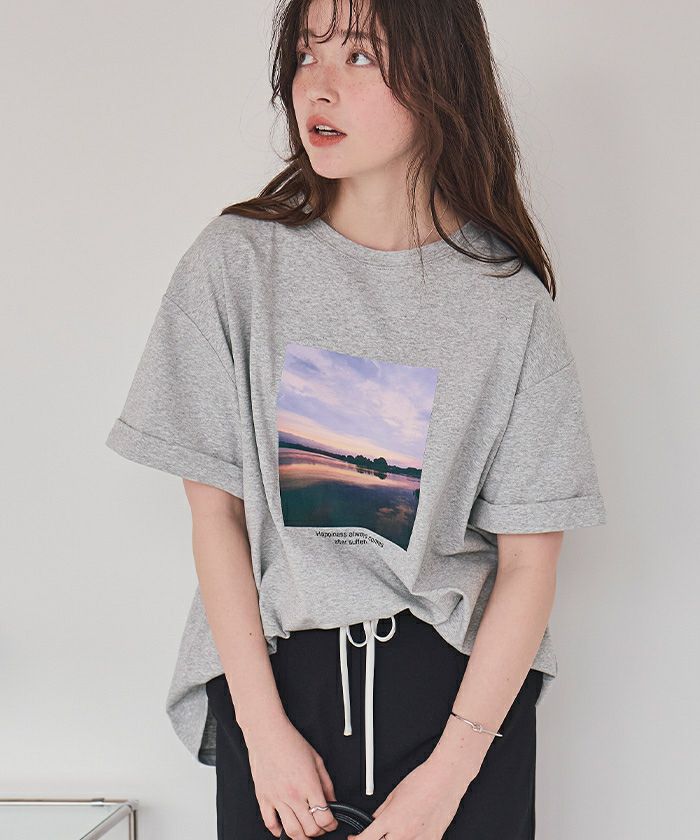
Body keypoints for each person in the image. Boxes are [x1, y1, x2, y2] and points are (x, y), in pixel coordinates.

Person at [104, 0, 607, 837]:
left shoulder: (506, 304)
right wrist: (262, 733)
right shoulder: (236, 265)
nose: (318, 87)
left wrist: (449, 775)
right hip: (279, 692)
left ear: (442, 79)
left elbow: (529, 564)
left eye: (361, 57)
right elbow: (215, 516)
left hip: (458, 708)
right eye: (307, 54)